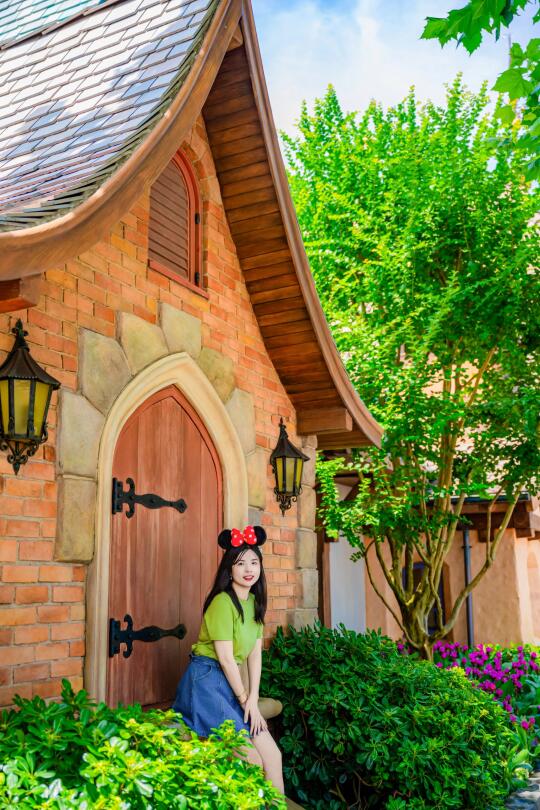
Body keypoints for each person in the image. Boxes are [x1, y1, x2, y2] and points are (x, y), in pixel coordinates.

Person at [172, 524, 284, 793]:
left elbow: (255, 655)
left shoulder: (254, 602)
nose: (248, 569)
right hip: (207, 681)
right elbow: (225, 658)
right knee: (251, 759)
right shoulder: (222, 602)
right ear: (229, 569)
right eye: (240, 563)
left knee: (273, 755)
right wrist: (245, 700)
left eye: (254, 562)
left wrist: (254, 698)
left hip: (233, 683)